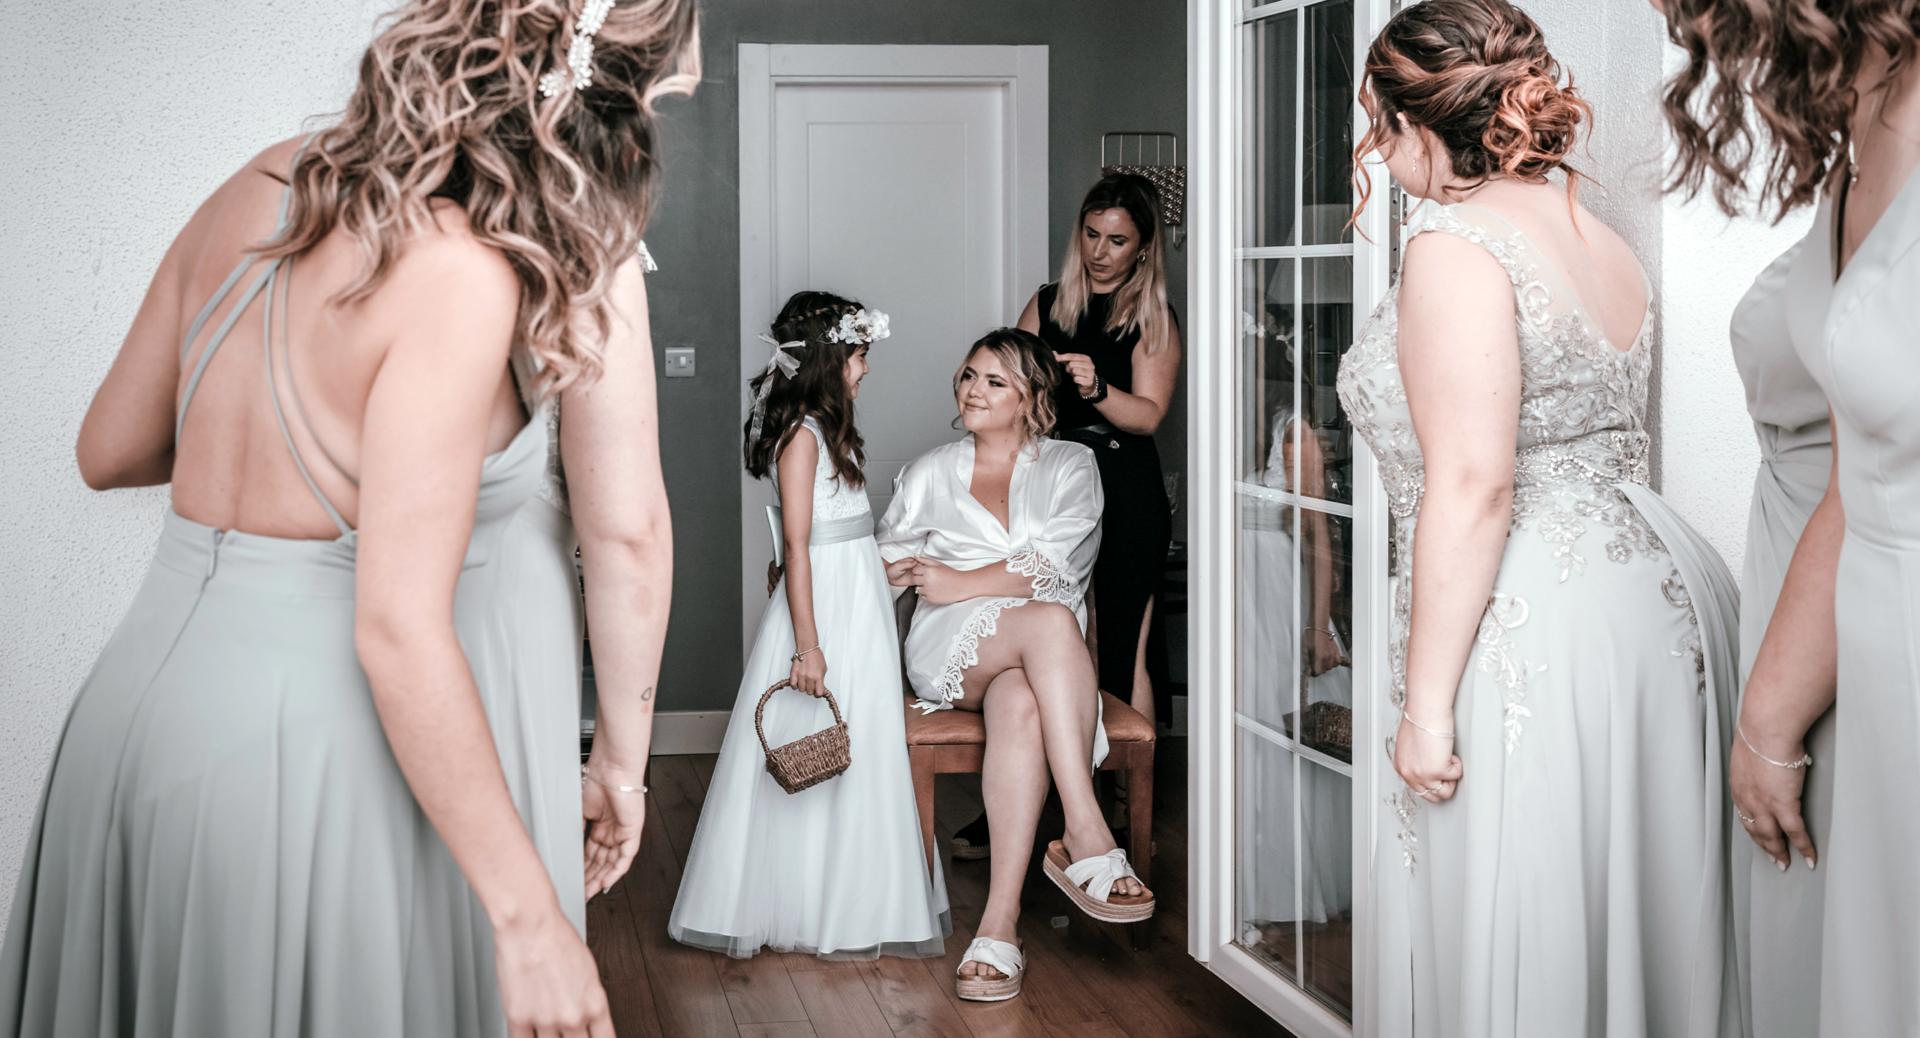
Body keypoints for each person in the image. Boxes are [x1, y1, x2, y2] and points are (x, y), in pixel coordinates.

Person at [0, 1, 698, 1034]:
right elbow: (401, 625)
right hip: (309, 755)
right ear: (605, 97)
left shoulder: (265, 182)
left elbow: (108, 448)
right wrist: (529, 919)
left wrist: (270, 447)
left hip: (129, 725)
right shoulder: (467, 271)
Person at [1334, 1, 1741, 1033]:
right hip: (1646, 600)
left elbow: (1473, 484)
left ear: (1421, 122)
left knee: (1521, 902)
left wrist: (1423, 708)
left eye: (1382, 125)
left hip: (1526, 618)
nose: (1379, 151)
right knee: (1611, 900)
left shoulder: (1452, 244)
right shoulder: (1583, 227)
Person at [1661, 1, 1920, 1031]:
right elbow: (1860, 470)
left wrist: (1768, 712)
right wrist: (1768, 711)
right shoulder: (1868, 126)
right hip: (1839, 606)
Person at [669, 292, 949, 959]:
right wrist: (810, 647)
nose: (866, 370)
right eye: (860, 357)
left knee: (863, 741)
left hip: (855, 595)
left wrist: (884, 572)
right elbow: (798, 546)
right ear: (831, 361)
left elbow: (843, 534)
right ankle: (803, 901)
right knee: (814, 738)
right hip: (821, 613)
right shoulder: (803, 437)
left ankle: (861, 899)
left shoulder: (835, 433)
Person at [877, 328, 1153, 1003]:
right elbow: (889, 565)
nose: (974, 389)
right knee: (1052, 622)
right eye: (969, 375)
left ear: (1032, 399)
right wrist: (920, 577)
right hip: (951, 651)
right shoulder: (929, 472)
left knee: (1022, 699)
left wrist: (959, 578)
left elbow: (1063, 565)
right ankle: (1084, 829)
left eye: (995, 381)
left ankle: (999, 926)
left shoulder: (1068, 467)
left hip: (1034, 662)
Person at [948, 173, 1183, 863]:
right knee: (1041, 636)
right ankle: (1022, 802)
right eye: (1092, 236)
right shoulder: (1048, 303)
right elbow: (1007, 383)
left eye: (1118, 241)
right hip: (1046, 488)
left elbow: (1149, 416)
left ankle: (1115, 808)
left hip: (1124, 489)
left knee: (1119, 647)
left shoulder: (1153, 318)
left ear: (1143, 251)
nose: (1101, 252)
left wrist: (1096, 386)